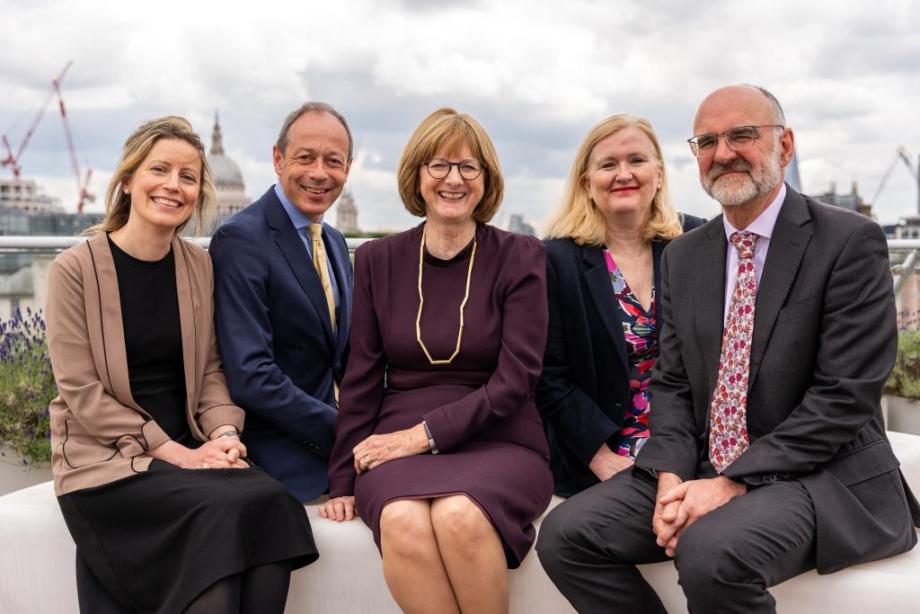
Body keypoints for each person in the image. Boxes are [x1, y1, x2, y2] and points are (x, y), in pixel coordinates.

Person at [537, 85, 920, 613]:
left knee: (710, 552)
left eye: (742, 135)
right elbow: (670, 381)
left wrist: (730, 482)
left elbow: (843, 398)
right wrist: (671, 472)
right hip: (700, 463)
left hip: (818, 474)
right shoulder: (688, 254)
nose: (723, 153)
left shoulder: (848, 242)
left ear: (785, 147)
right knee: (565, 535)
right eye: (707, 141)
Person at [45, 116, 317, 614]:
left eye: (188, 177)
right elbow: (82, 394)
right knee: (225, 513)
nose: (174, 186)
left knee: (271, 502)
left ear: (198, 193)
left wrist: (223, 436)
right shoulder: (74, 271)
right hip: (108, 462)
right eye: (160, 170)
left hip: (190, 451)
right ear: (127, 180)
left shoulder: (198, 266)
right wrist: (179, 455)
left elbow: (213, 371)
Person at [320, 108, 553, 613]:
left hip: (502, 434)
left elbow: (519, 379)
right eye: (439, 166)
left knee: (460, 516)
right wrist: (341, 478)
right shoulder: (378, 260)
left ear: (486, 180)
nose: (454, 179)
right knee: (401, 520)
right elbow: (360, 375)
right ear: (417, 177)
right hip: (395, 437)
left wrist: (419, 438)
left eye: (469, 167)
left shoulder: (520, 255)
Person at [537, 114, 705, 498]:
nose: (623, 173)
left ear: (659, 174)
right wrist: (602, 459)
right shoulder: (556, 260)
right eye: (608, 164)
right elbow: (549, 377)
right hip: (599, 453)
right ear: (587, 183)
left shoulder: (697, 241)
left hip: (690, 448)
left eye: (637, 160)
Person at [210, 102, 353, 502]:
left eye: (333, 161)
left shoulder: (335, 242)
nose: (319, 173)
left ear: (348, 167)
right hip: (288, 457)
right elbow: (251, 375)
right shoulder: (241, 240)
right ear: (278, 158)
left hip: (341, 449)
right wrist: (345, 430)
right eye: (305, 157)